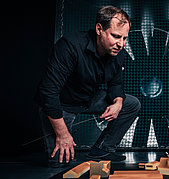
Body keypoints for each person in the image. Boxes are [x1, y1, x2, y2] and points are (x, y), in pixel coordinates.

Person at [36, 6, 141, 167]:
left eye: (125, 38)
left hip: (88, 98)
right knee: (60, 162)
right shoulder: (70, 46)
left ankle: (102, 149)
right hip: (61, 105)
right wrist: (62, 133)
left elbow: (115, 83)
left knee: (131, 104)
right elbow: (48, 92)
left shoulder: (117, 51)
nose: (121, 44)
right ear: (99, 29)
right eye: (116, 36)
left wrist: (118, 103)